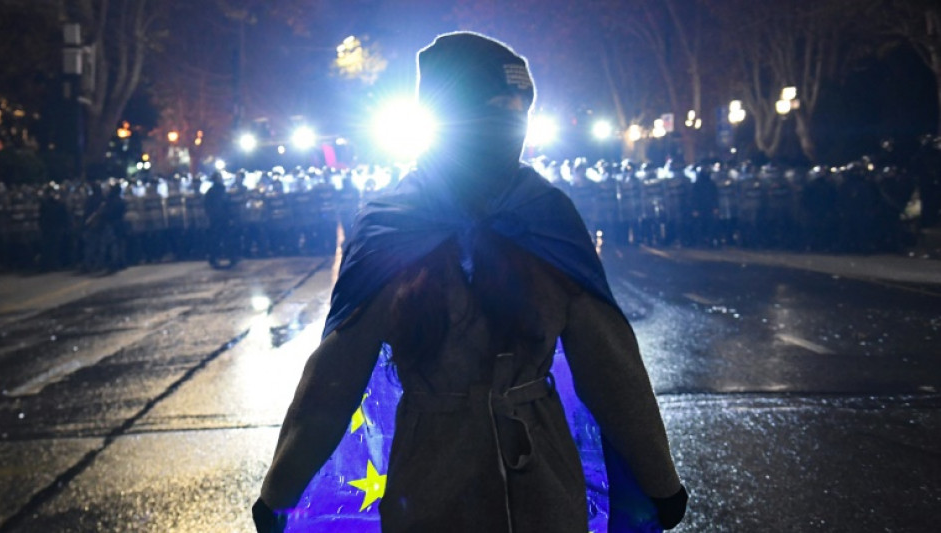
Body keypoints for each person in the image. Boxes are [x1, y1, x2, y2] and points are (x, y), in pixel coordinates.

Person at [254, 32, 686, 533]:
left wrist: (659, 478)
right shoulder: (391, 224)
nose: (509, 124)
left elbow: (611, 369)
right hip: (431, 483)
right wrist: (279, 491)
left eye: (518, 110)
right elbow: (331, 383)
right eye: (492, 107)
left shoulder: (546, 216)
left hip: (543, 482)